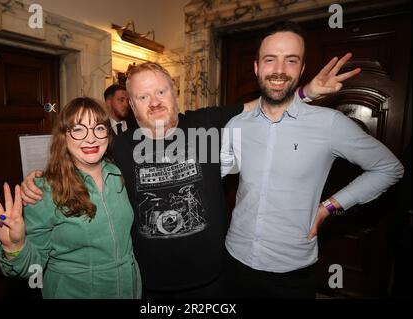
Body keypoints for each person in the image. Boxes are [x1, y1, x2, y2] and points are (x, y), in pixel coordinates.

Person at [21, 55, 359, 298]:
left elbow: (263, 107)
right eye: (142, 97)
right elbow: (79, 155)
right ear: (131, 106)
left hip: (213, 280)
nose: (154, 102)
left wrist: (307, 92)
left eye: (161, 92)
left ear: (174, 93)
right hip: (147, 286)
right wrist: (38, 180)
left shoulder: (205, 123)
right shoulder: (117, 147)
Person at [220, 20, 404, 299]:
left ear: (302, 68)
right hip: (234, 260)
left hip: (291, 272)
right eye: (270, 60)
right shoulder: (236, 124)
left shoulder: (330, 124)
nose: (279, 70)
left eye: (290, 60)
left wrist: (328, 207)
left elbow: (388, 168)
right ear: (257, 67)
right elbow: (211, 174)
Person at [0, 97, 141, 299]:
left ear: (108, 134)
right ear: (64, 136)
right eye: (78, 129)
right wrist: (14, 247)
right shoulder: (45, 191)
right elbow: (32, 270)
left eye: (99, 128)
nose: (91, 138)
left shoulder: (117, 175)